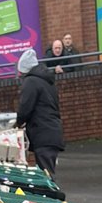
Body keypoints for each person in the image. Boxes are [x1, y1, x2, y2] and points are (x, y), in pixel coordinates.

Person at [15, 47, 64, 177]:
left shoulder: (31, 81)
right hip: (51, 130)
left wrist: (17, 123)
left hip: (42, 132)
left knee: (46, 175)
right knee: (48, 171)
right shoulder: (47, 81)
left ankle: (52, 197)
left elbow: (25, 107)